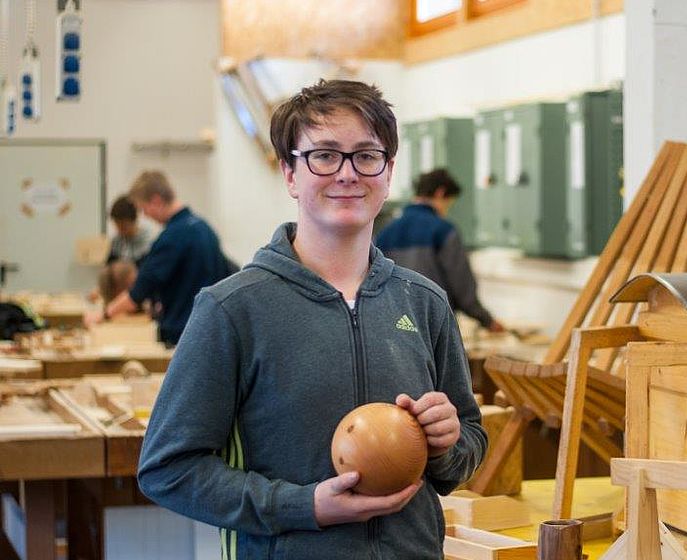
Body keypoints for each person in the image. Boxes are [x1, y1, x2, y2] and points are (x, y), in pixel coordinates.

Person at [137, 80, 486, 560]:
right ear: (289, 174)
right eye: (324, 155)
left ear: (388, 173)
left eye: (367, 155)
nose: (347, 173)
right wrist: (305, 506)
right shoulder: (232, 308)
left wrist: (448, 442)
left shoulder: (423, 302)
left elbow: (468, 445)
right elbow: (168, 469)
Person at [85, 171, 232, 345]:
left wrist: (103, 315)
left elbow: (139, 291)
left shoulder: (173, 237)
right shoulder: (204, 228)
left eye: (143, 209)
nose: (145, 215)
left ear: (155, 201)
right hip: (209, 331)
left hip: (183, 335)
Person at [376, 169, 504, 333]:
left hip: (396, 327)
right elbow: (463, 290)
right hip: (435, 327)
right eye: (449, 203)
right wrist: (488, 321)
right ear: (440, 193)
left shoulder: (385, 233)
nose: (446, 210)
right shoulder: (444, 231)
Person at [106, 195, 152, 265]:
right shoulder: (117, 241)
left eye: (124, 226)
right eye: (116, 224)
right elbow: (109, 265)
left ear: (134, 220)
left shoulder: (149, 241)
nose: (119, 230)